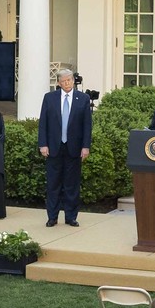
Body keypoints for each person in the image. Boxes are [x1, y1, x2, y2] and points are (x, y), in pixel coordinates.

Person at [36, 67, 92, 227]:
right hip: (54, 147)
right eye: (64, 81)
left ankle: (71, 217)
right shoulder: (49, 98)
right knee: (53, 184)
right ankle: (52, 217)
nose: (67, 83)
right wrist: (43, 144)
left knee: (71, 185)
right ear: (59, 83)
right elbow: (43, 124)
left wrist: (85, 146)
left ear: (73, 81)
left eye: (70, 80)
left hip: (74, 148)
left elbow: (87, 125)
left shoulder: (83, 98)